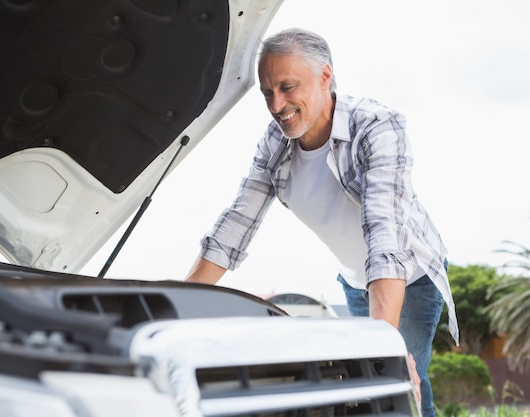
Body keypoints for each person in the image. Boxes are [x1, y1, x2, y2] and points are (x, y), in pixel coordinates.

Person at [185, 27, 459, 417]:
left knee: (396, 379)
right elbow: (236, 223)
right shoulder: (274, 143)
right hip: (353, 279)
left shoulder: (377, 127)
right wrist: (173, 308)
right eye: (267, 92)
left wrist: (383, 345)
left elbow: (386, 236)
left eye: (287, 87)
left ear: (325, 77)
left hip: (409, 277)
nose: (277, 104)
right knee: (369, 384)